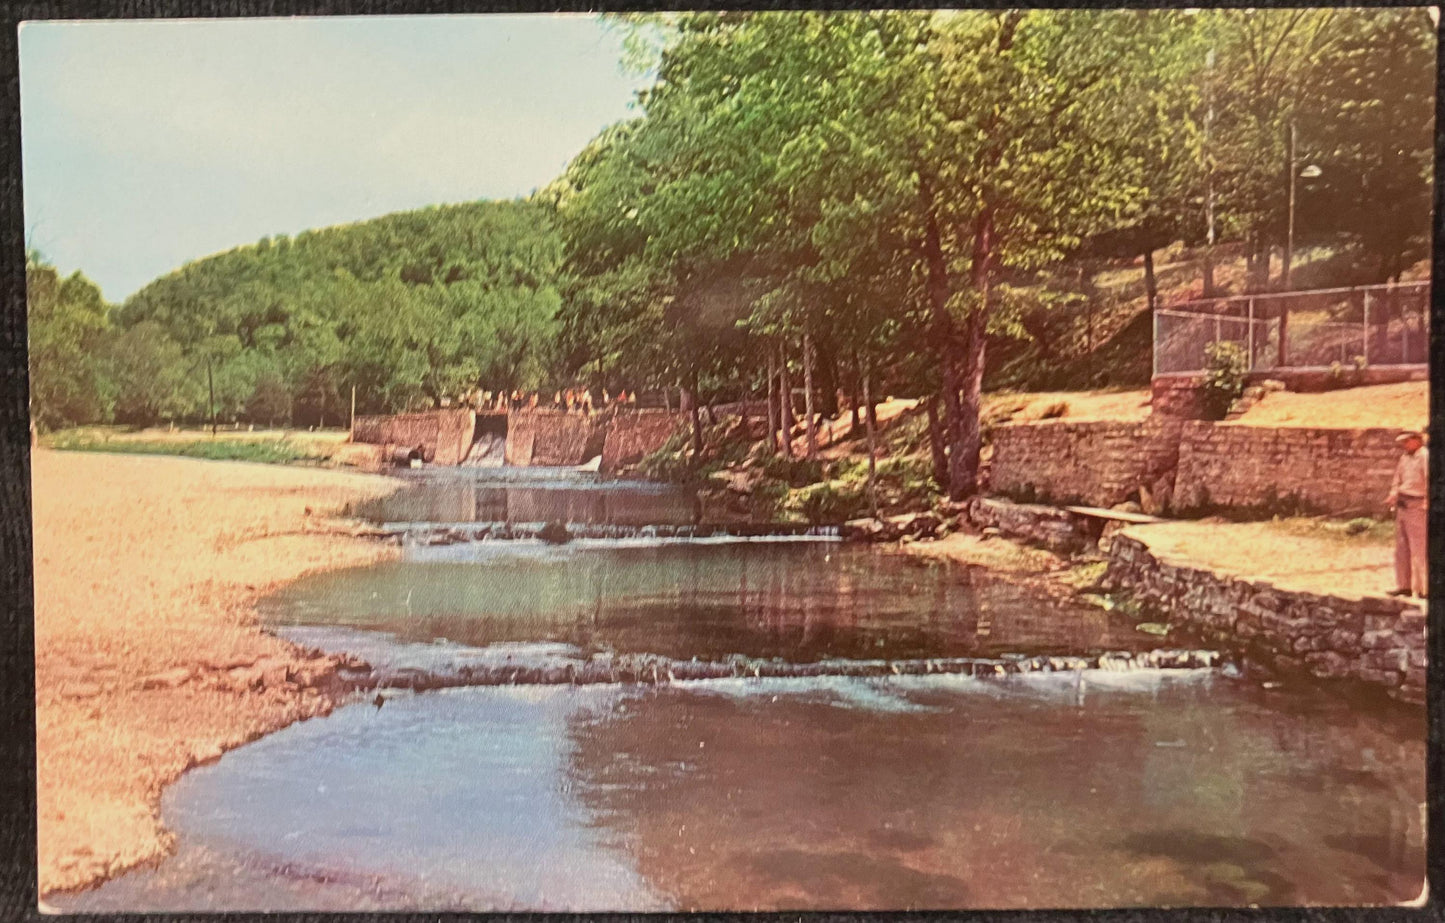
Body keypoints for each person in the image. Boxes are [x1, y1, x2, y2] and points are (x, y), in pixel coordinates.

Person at [1385, 429, 1429, 598]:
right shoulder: (1404, 458)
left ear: (1417, 440)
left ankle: (1424, 588)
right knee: (1401, 548)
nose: (1404, 445)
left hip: (1418, 505)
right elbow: (1398, 479)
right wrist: (1393, 494)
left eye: (1407, 441)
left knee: (1419, 548)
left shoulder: (1425, 457)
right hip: (1403, 504)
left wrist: (1427, 505)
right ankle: (1404, 586)